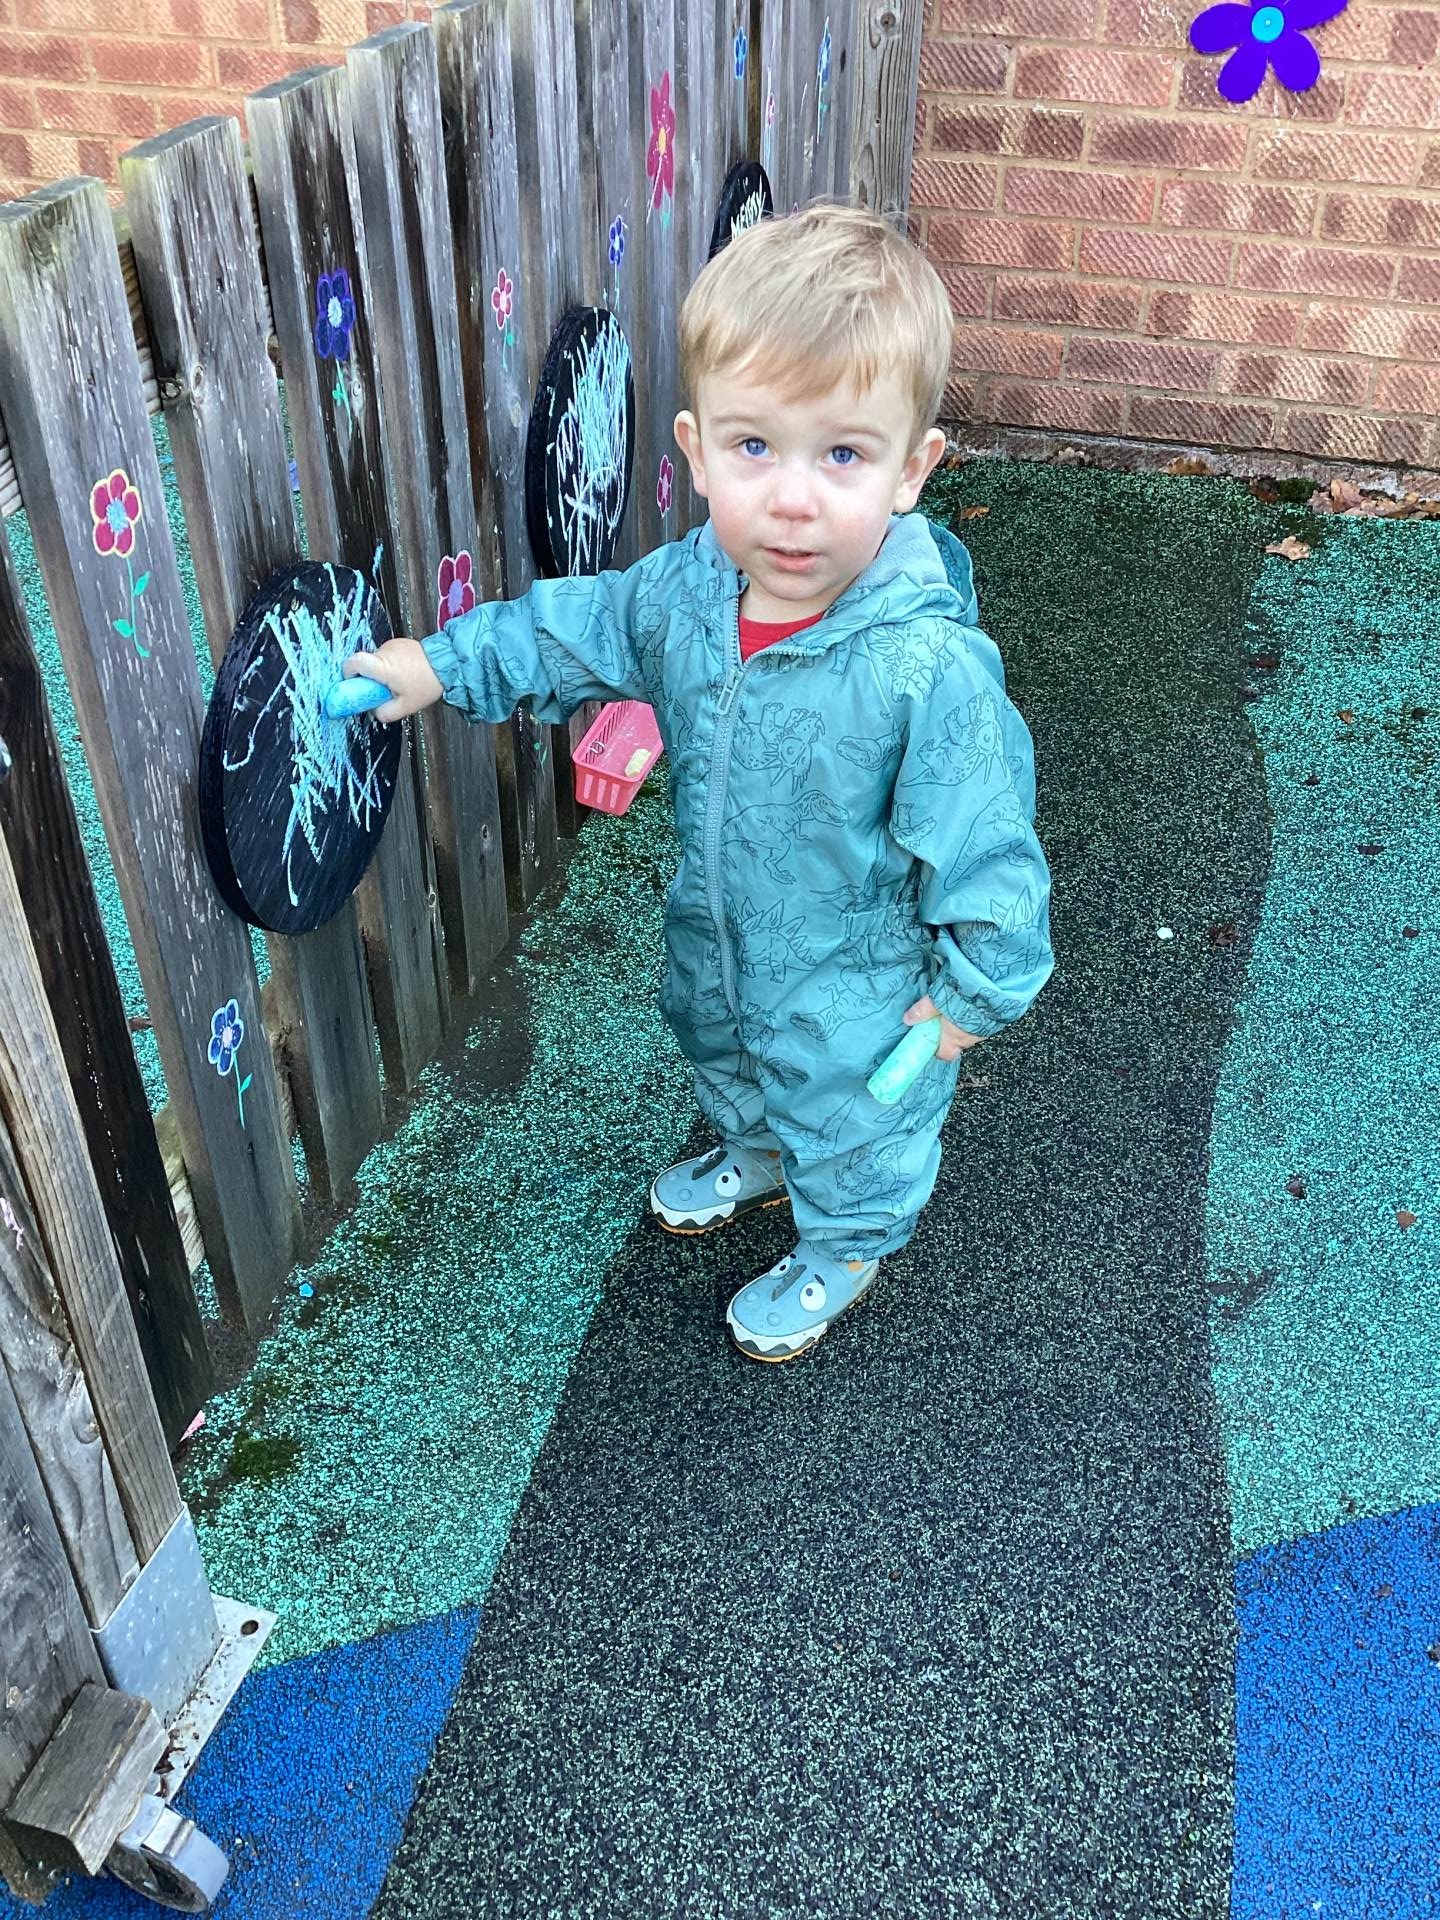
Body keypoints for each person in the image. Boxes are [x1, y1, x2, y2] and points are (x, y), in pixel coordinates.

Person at [341, 199, 1054, 1364]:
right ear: (696, 448)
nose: (792, 497)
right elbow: (574, 631)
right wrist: (438, 665)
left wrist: (974, 994)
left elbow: (988, 842)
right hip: (719, 929)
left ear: (912, 470)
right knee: (720, 1044)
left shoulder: (925, 668)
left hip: (856, 978)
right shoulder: (684, 594)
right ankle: (758, 1151)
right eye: (754, 447)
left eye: (843, 454)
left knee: (852, 1116)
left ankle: (847, 1242)